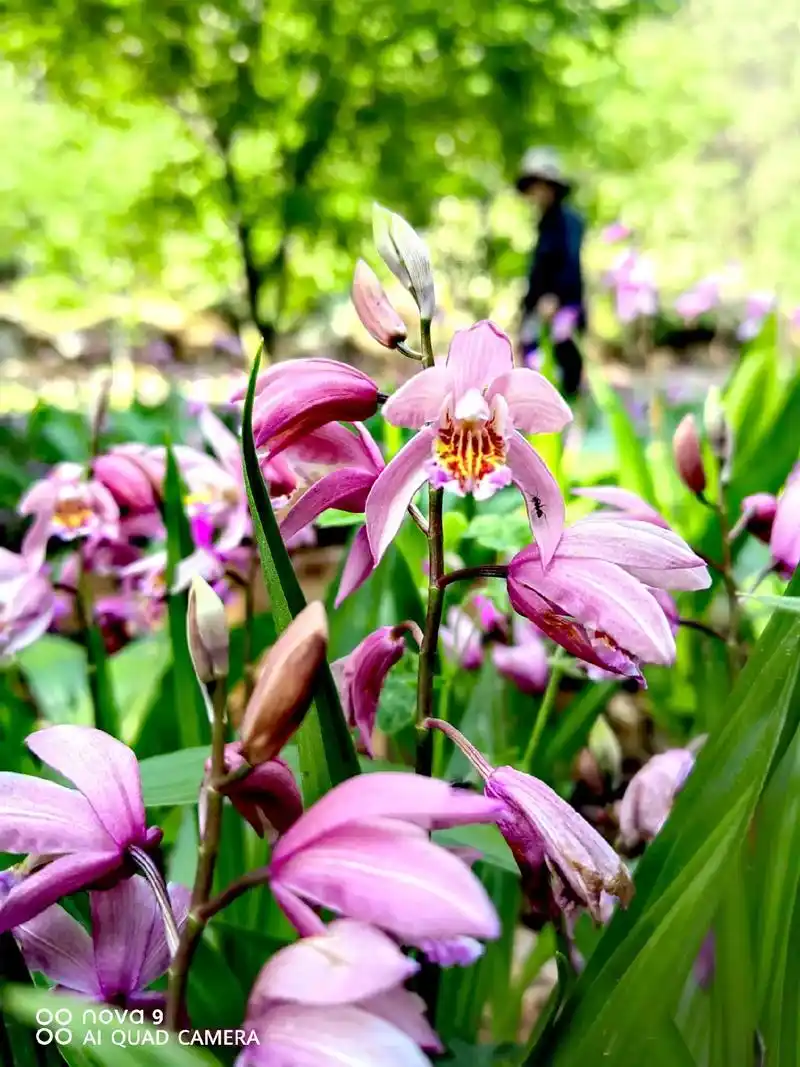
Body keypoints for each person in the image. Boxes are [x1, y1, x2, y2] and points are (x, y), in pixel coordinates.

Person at [516, 148, 586, 397]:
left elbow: (570, 261)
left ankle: (570, 426)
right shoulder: (543, 223)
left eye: (542, 186)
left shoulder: (569, 221)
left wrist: (554, 297)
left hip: (562, 310)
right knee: (533, 366)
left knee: (565, 371)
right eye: (533, 187)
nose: (537, 193)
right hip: (539, 311)